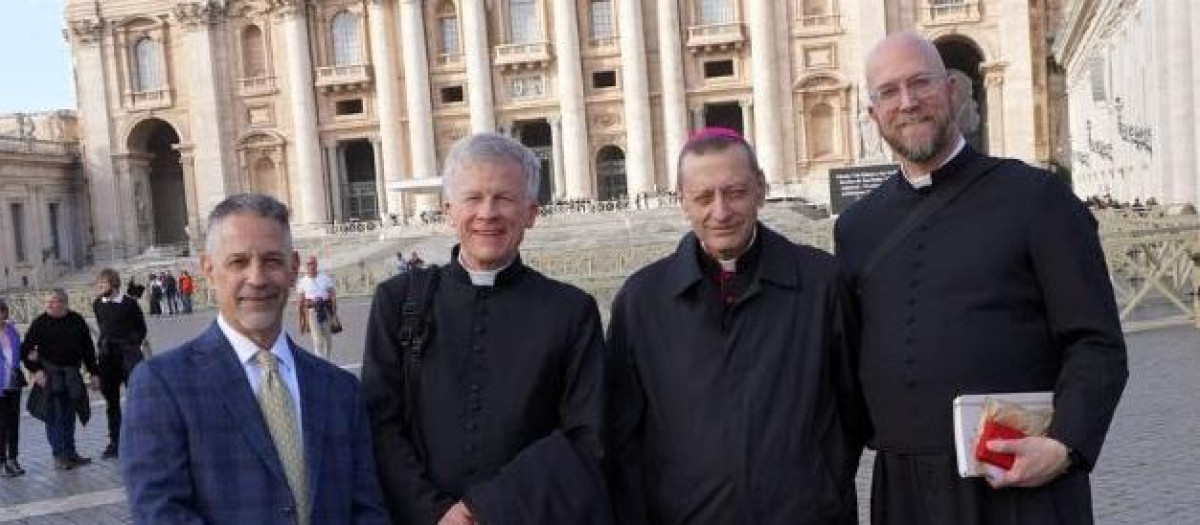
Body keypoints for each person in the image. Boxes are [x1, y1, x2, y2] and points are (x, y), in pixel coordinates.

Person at [833, 31, 1128, 525]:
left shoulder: (1038, 199)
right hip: (906, 489)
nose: (907, 103)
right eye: (888, 92)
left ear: (951, 89)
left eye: (920, 83)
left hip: (1020, 479)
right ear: (872, 114)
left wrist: (1065, 444)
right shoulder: (857, 227)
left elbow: (1096, 342)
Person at [606, 128, 866, 525]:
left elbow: (854, 408)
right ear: (682, 202)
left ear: (761, 189)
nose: (721, 212)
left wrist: (821, 486)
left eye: (736, 192)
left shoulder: (822, 283)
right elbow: (624, 435)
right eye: (704, 197)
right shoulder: (641, 300)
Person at [362, 133, 609, 525]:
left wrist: (483, 509)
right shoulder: (397, 301)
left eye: (504, 198)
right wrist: (433, 514)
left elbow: (584, 436)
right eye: (473, 198)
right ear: (448, 211)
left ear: (531, 212)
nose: (487, 213)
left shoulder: (571, 311)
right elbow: (380, 424)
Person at [121, 193, 389, 525]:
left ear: (293, 269)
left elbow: (366, 508)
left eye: (272, 261)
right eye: (238, 262)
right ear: (208, 268)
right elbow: (160, 513)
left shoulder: (340, 389)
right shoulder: (161, 384)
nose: (258, 278)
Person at [21, 288, 98, 470]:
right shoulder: (39, 323)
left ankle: (70, 453)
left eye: (52, 300)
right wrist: (36, 370)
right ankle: (59, 455)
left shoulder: (76, 320)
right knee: (54, 416)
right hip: (50, 377)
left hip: (71, 375)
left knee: (69, 415)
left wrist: (94, 373)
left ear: (63, 303)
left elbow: (88, 349)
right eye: (46, 301)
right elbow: (26, 350)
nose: (47, 304)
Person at [92, 268, 147, 460]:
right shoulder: (98, 304)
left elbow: (141, 328)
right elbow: (102, 327)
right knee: (111, 402)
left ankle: (139, 440)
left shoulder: (129, 304)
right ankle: (115, 441)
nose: (100, 288)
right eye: (99, 285)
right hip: (108, 358)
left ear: (114, 284)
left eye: (103, 284)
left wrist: (131, 344)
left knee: (136, 399)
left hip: (128, 356)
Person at [0, 299, 27, 477]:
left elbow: (19, 352)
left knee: (14, 423)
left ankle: (13, 458)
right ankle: (2, 462)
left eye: (2, 311)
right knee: (1, 425)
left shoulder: (12, 330)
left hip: (13, 383)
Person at [296, 256, 337, 360]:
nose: (311, 266)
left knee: (328, 340)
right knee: (318, 341)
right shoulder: (303, 282)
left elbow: (332, 295)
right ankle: (320, 363)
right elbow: (300, 302)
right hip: (312, 312)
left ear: (316, 264)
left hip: (325, 310)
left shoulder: (325, 278)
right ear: (306, 266)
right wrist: (301, 320)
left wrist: (334, 314)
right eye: (309, 264)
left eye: (313, 263)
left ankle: (327, 361)